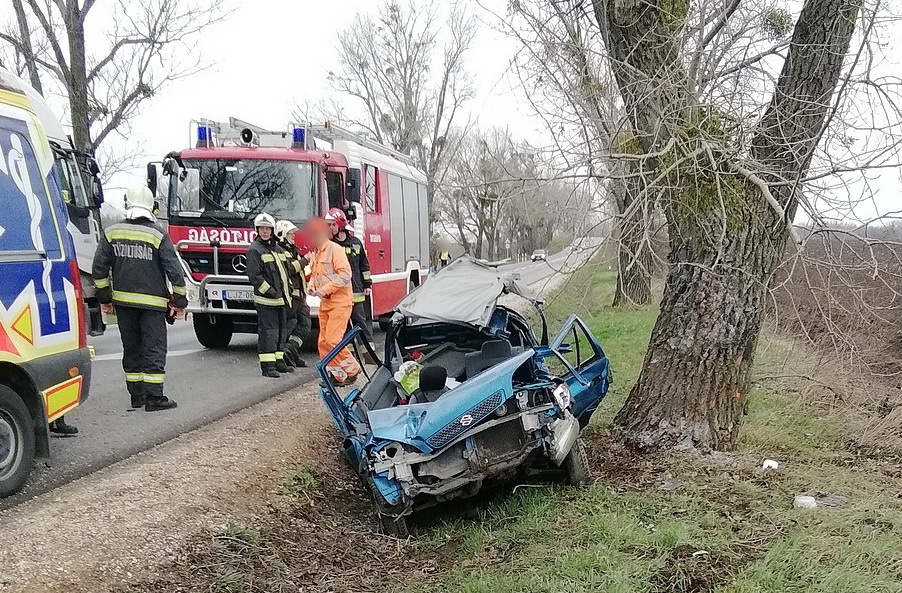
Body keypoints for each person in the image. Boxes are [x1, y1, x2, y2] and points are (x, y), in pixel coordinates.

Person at [92, 185, 186, 412]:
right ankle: (154, 398)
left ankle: (137, 396)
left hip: (123, 303)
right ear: (151, 206)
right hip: (152, 305)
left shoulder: (112, 232)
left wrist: (105, 298)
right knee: (153, 349)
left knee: (132, 348)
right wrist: (180, 301)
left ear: (128, 204)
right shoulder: (158, 233)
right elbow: (174, 270)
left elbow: (99, 269)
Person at [307, 217, 361, 386]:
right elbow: (315, 275)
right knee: (323, 342)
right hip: (326, 303)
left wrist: (324, 290)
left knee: (332, 340)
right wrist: (311, 286)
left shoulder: (334, 249)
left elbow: (345, 275)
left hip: (339, 302)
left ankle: (352, 370)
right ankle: (337, 375)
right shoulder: (317, 252)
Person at [246, 213, 294, 378]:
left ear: (272, 230)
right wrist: (272, 292)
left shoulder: (278, 249)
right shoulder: (254, 250)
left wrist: (288, 290)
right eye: (262, 228)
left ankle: (278, 361)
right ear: (257, 230)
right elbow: (254, 277)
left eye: (267, 228)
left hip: (281, 300)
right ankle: (267, 367)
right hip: (266, 301)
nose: (265, 231)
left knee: (281, 332)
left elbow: (286, 273)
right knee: (269, 334)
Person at [326, 208, 374, 346]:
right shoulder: (330, 245)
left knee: (360, 321)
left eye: (333, 224)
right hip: (338, 293)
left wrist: (367, 284)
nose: (331, 228)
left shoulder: (356, 243)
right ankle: (348, 353)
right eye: (329, 225)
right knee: (343, 324)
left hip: (356, 291)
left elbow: (364, 266)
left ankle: (368, 349)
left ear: (341, 224)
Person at [274, 219, 310, 367]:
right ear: (282, 234)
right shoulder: (279, 250)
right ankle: (285, 354)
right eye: (290, 233)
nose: (293, 236)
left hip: (299, 295)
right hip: (290, 296)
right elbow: (288, 269)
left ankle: (291, 351)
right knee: (289, 327)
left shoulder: (293, 250)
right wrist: (304, 261)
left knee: (304, 324)